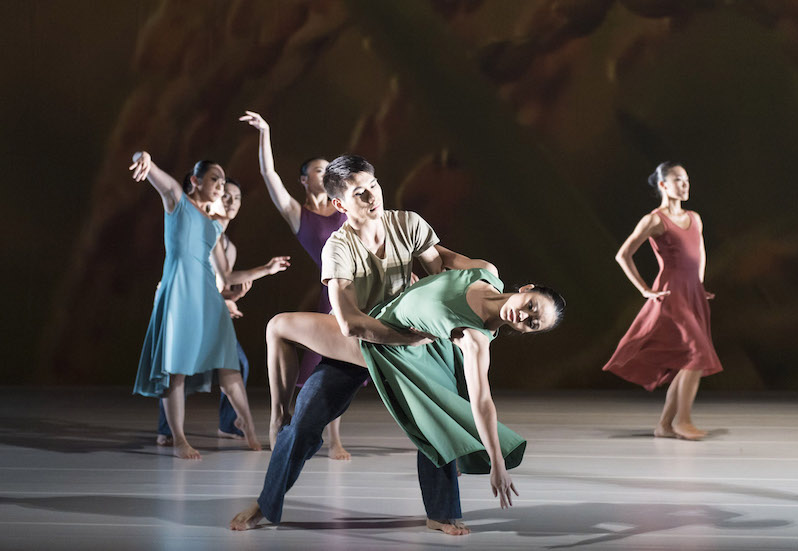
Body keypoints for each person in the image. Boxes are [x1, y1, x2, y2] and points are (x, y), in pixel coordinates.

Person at [230, 155, 551, 535]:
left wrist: (475, 295)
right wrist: (408, 337)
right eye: (359, 193)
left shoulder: (407, 224)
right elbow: (350, 323)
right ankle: (266, 501)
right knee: (302, 423)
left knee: (437, 417)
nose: (372, 197)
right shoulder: (338, 248)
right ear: (339, 204)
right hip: (365, 341)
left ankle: (441, 513)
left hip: (412, 340)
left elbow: (441, 275)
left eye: (374, 186)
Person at [130, 152, 290, 459]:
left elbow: (227, 276)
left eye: (222, 180)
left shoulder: (213, 226)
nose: (219, 185)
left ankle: (248, 428)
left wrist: (266, 270)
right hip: (179, 292)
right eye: (214, 179)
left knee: (230, 364)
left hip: (207, 296)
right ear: (195, 180)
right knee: (175, 370)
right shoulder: (177, 201)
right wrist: (143, 158)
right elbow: (154, 172)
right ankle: (178, 438)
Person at [239, 110, 351, 460]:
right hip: (332, 292)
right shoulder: (296, 213)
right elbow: (268, 174)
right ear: (304, 180)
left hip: (361, 289)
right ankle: (283, 418)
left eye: (329, 169)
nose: (326, 173)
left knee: (347, 363)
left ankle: (334, 439)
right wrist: (265, 132)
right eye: (319, 170)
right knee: (326, 360)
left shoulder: (345, 207)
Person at [603, 161, 723, 440]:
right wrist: (645, 289)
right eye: (678, 179)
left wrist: (699, 284)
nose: (685, 184)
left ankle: (665, 425)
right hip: (671, 294)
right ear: (663, 185)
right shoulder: (655, 220)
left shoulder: (694, 218)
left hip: (692, 294)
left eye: (687, 179)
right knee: (697, 355)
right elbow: (623, 255)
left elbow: (700, 252)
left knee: (689, 360)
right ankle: (683, 421)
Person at [155, 177, 254, 445]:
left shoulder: (228, 246)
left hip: (208, 313)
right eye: (226, 196)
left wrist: (231, 297)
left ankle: (229, 424)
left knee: (237, 364)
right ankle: (167, 430)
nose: (232, 202)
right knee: (175, 368)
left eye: (237, 198)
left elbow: (217, 284)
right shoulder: (201, 229)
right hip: (184, 307)